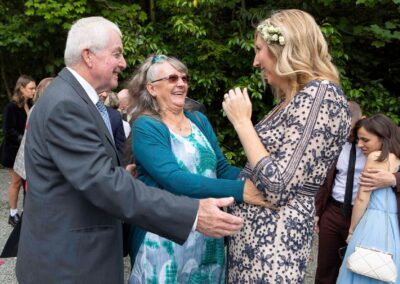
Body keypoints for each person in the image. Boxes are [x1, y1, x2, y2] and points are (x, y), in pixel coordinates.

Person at [16, 16, 243, 284]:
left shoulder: (74, 99)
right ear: (88, 56)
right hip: (69, 265)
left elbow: (87, 174)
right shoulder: (67, 105)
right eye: (117, 54)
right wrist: (192, 214)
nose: (123, 63)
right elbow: (105, 185)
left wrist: (122, 173)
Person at [222, 9, 351, 282]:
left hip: (274, 246)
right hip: (254, 243)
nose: (255, 61)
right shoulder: (291, 101)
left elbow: (278, 186)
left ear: (286, 49)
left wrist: (242, 123)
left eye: (259, 50)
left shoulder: (321, 94)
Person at [127, 54, 266, 283]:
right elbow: (174, 178)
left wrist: (260, 180)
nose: (181, 83)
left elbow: (220, 168)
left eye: (184, 77)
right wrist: (243, 191)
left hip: (206, 233)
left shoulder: (199, 121)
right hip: (164, 238)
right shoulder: (147, 125)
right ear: (152, 88)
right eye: (172, 78)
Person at [314, 102, 400, 283]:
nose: (344, 134)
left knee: (364, 268)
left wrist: (394, 179)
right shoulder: (335, 143)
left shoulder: (384, 144)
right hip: (334, 212)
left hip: (366, 218)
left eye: (348, 128)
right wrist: (317, 212)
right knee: (325, 269)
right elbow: (322, 180)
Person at [337, 114, 400, 283]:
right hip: (394, 226)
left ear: (382, 138)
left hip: (372, 222)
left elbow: (362, 199)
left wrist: (351, 231)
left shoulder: (375, 157)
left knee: (361, 270)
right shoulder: (397, 157)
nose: (360, 145)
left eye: (365, 140)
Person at [0, 75, 35, 227]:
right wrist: (25, 138)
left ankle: (26, 212)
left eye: (34, 88)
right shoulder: (11, 107)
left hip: (26, 150)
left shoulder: (31, 104)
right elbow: (8, 131)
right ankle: (13, 213)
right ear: (21, 88)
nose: (34, 91)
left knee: (27, 182)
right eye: (31, 88)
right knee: (16, 183)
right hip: (13, 151)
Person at [99, 91, 126, 158]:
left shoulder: (115, 115)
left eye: (105, 92)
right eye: (100, 92)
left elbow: (121, 147)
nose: (104, 95)